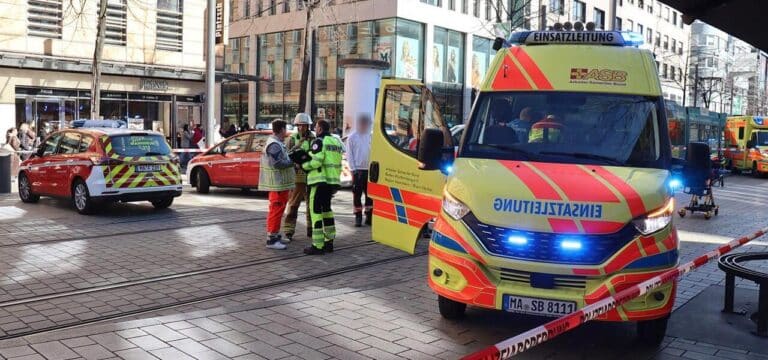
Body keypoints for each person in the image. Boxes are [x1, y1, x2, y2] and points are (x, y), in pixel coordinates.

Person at [299, 119, 344, 255]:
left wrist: (303, 164)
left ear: (319, 129)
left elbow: (316, 161)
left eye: (315, 127)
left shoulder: (319, 141)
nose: (314, 128)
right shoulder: (336, 141)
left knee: (316, 213)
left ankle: (317, 245)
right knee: (327, 211)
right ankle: (329, 241)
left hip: (319, 182)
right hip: (331, 182)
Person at [259, 119, 296, 250]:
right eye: (285, 129)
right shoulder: (274, 144)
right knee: (276, 210)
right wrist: (293, 163)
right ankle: (272, 239)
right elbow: (277, 163)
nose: (286, 131)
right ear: (281, 130)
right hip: (277, 184)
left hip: (280, 185)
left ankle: (274, 236)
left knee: (278, 210)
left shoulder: (278, 143)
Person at [282, 113, 316, 241]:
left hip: (311, 175)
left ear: (308, 126)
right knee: (294, 204)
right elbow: (286, 155)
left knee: (311, 205)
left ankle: (311, 229)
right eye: (299, 125)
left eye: (304, 125)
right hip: (298, 177)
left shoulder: (314, 138)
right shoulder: (292, 139)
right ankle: (289, 231)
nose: (301, 128)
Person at [346, 114, 373, 227]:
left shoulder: (371, 136)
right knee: (357, 195)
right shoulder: (352, 137)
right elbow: (349, 155)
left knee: (370, 195)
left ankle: (369, 215)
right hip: (358, 170)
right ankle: (358, 216)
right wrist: (353, 169)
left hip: (370, 170)